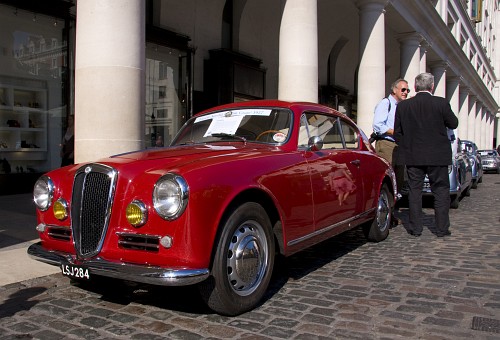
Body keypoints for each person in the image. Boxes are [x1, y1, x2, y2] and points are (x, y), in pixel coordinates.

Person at [394, 73, 459, 237]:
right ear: (432, 86)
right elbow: (454, 123)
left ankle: (416, 229)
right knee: (441, 191)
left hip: (413, 155)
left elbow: (397, 133)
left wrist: (408, 146)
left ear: (415, 87)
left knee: (415, 192)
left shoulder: (403, 106)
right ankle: (442, 229)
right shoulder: (441, 103)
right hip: (437, 156)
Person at [372, 78, 409, 165]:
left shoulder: (400, 106)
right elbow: (377, 125)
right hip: (386, 144)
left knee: (399, 176)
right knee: (388, 173)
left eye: (408, 90)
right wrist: (395, 132)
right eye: (403, 89)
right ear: (394, 90)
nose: (406, 92)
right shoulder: (386, 103)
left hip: (398, 145)